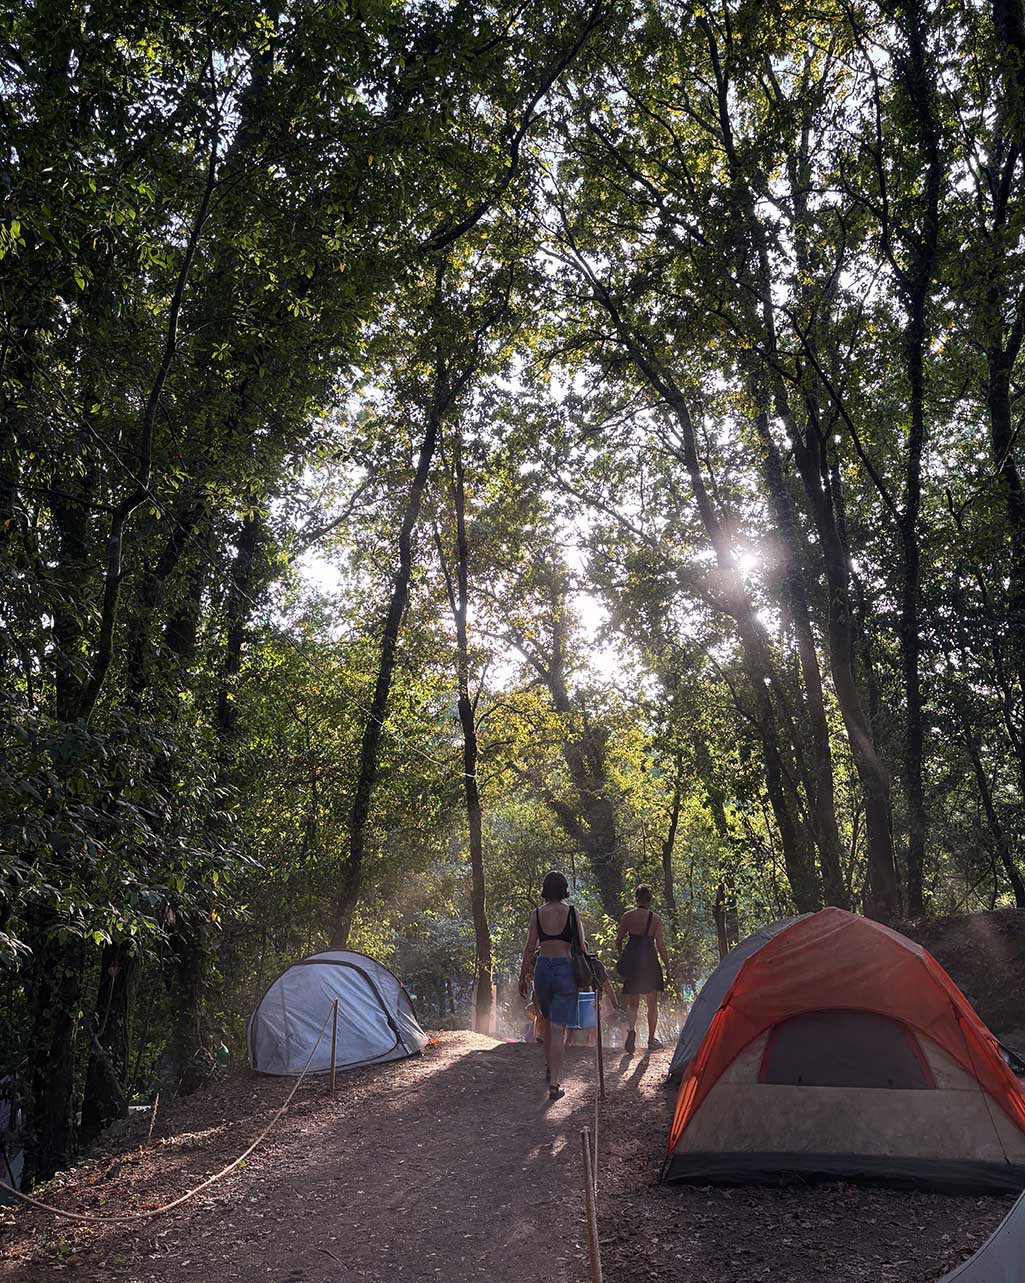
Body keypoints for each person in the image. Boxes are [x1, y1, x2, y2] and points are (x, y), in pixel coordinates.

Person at [518, 870, 585, 1102]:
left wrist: (522, 976)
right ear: (564, 888)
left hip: (543, 969)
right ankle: (555, 1083)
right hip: (565, 969)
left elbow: (529, 947)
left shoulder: (536, 914)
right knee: (558, 1029)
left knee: (545, 1022)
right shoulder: (571, 913)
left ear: (545, 889)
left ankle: (549, 1067)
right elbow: (582, 946)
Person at [615, 885, 670, 1054]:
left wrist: (624, 956)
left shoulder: (627, 916)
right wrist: (668, 965)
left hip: (633, 963)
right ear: (650, 899)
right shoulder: (655, 919)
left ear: (636, 898)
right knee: (652, 1004)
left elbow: (618, 941)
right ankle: (651, 1040)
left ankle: (632, 1029)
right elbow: (660, 944)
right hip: (650, 962)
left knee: (633, 1003)